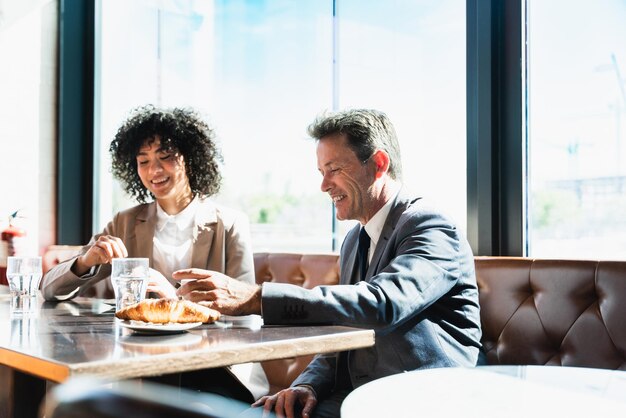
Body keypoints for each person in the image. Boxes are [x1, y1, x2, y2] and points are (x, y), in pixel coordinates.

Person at [174, 108, 483, 417]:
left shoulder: (430, 225)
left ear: (378, 164)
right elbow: (343, 332)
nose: (324, 185)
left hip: (423, 399)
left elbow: (382, 304)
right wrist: (307, 385)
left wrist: (257, 298)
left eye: (334, 169)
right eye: (321, 172)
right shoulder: (354, 241)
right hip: (361, 397)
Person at [41, 104, 269, 403]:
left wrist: (175, 302)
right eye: (143, 161)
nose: (154, 171)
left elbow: (245, 317)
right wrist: (86, 262)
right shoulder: (125, 221)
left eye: (165, 158)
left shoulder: (229, 224)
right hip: (139, 364)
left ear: (190, 158)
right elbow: (49, 289)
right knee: (64, 393)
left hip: (213, 367)